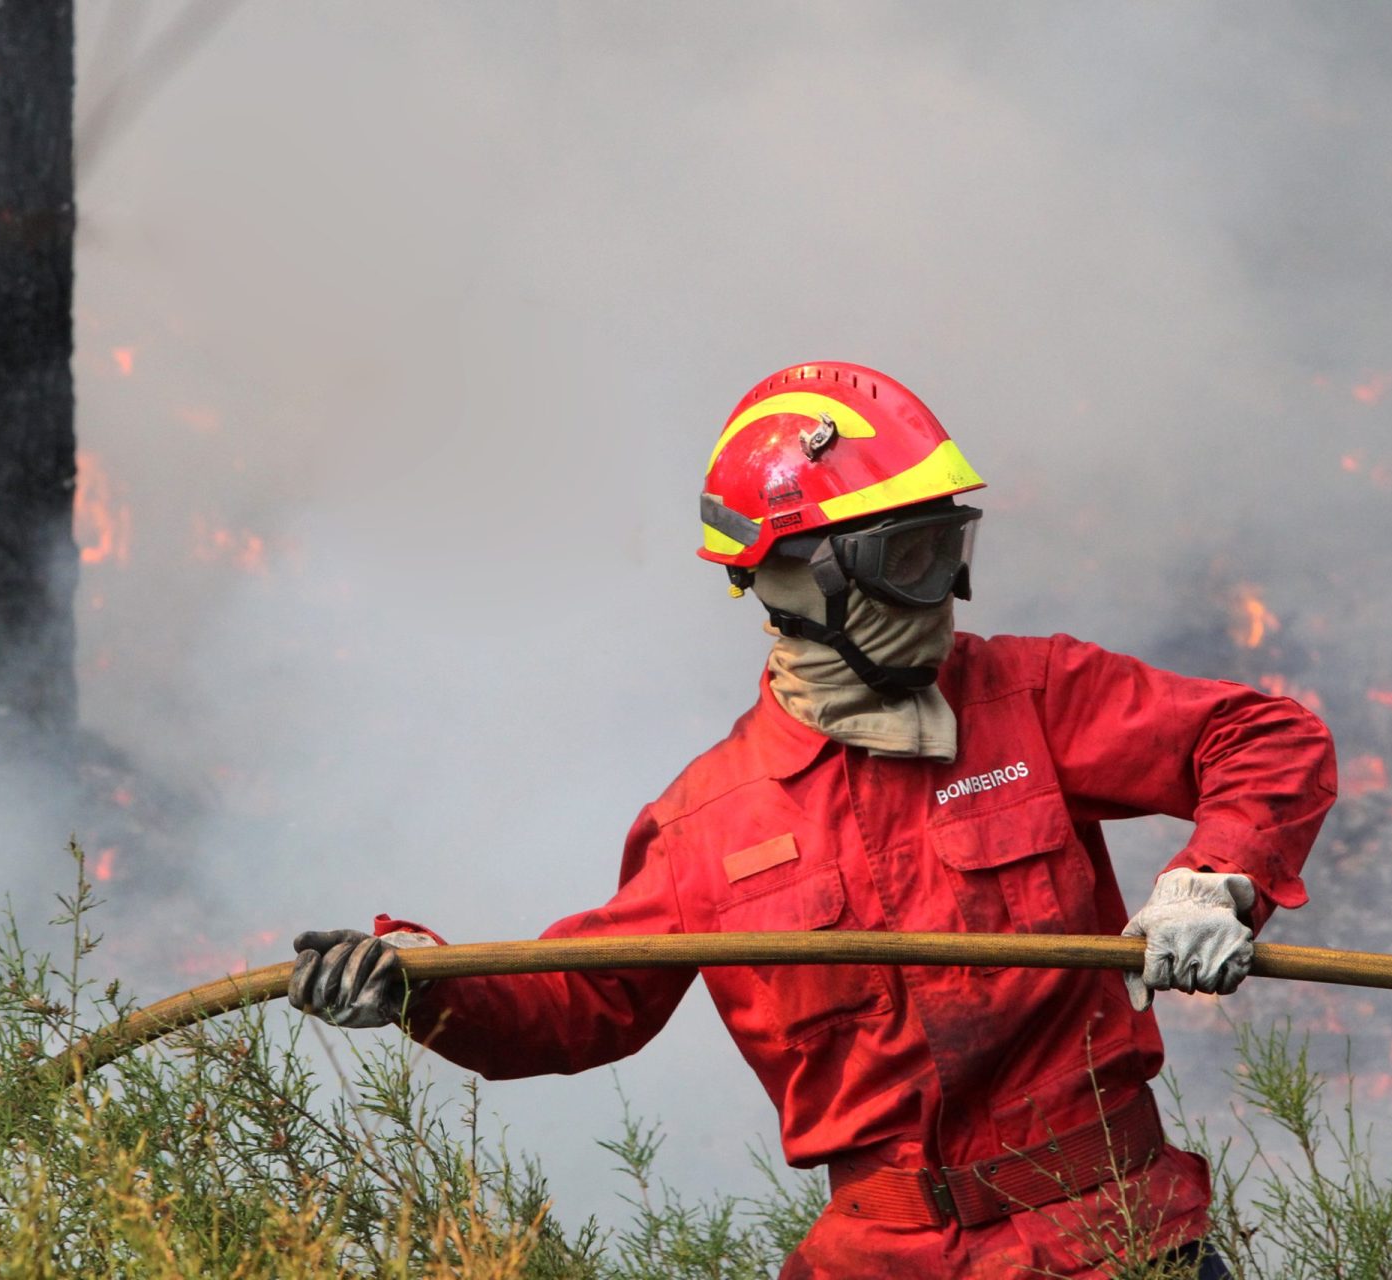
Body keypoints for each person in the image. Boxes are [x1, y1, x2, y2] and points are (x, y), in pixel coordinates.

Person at [290, 361, 1336, 1278]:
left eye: (947, 549)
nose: (941, 596)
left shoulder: (1034, 695)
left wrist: (1218, 878)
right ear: (789, 575)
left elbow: (1263, 737)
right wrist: (415, 983)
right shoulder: (705, 822)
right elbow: (582, 1001)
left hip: (1118, 1236)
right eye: (905, 560)